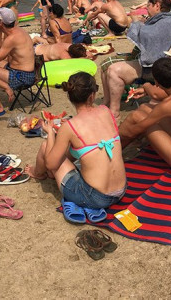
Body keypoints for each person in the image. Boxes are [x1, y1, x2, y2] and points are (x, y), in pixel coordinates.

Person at [25, 72, 127, 215]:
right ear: (92, 95)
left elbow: (51, 164)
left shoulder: (70, 127)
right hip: (120, 191)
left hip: (96, 198)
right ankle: (44, 172)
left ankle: (37, 173)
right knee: (81, 150)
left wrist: (51, 133)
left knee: (46, 147)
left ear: (70, 96)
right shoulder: (106, 111)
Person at [101, 0, 171, 116]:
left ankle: (114, 111)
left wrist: (135, 21)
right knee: (107, 65)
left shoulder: (166, 23)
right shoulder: (167, 20)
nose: (147, 7)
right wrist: (143, 24)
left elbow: (147, 35)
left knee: (113, 70)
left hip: (156, 68)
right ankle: (107, 102)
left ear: (157, 6)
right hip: (162, 64)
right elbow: (152, 35)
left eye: (149, 5)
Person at [119, 58, 171, 174]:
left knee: (137, 117)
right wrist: (146, 88)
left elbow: (134, 130)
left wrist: (116, 136)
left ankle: (111, 150)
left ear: (156, 82)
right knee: (145, 107)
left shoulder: (167, 105)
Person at [0, 7, 36, 90]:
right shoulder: (19, 31)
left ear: (0, 23)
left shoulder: (11, 38)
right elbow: (0, 53)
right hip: (26, 73)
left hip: (22, 77)